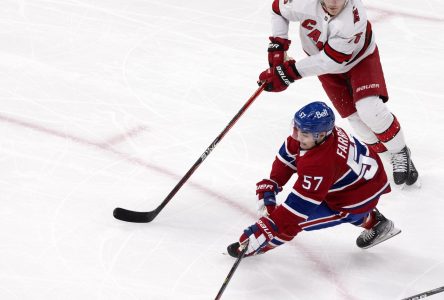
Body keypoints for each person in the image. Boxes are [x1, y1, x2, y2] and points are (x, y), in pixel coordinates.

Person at [257, 0, 418, 186]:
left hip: (359, 60)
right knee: (356, 120)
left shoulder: (351, 19)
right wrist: (279, 44)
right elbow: (278, 10)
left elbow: (332, 61)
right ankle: (387, 157)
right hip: (322, 64)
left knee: (369, 109)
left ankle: (399, 151)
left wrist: (287, 73)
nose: (334, 3)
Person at [227, 101, 401, 258]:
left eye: (304, 133)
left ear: (321, 135)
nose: (297, 137)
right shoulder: (317, 136)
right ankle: (373, 219)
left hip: (354, 198)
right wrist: (274, 181)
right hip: (364, 180)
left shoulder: (320, 164)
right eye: (296, 129)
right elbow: (289, 153)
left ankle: (258, 247)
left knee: (296, 222)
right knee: (290, 215)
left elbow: (297, 210)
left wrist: (267, 229)